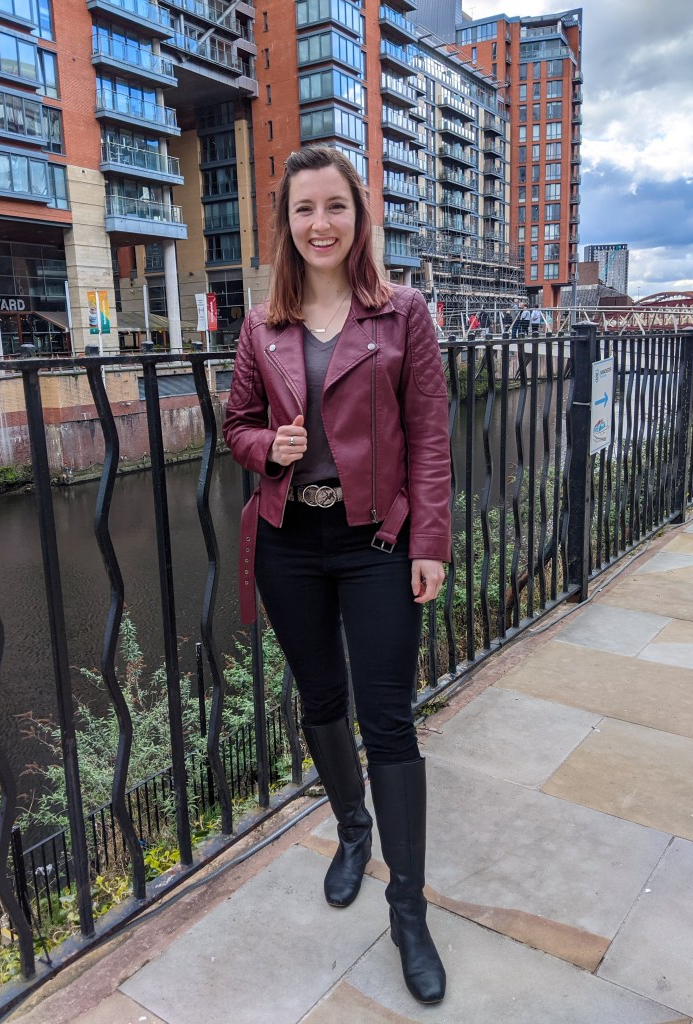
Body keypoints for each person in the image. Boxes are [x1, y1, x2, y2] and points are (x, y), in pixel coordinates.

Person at [223, 145, 452, 1005]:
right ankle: (352, 831)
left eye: (335, 207)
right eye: (303, 210)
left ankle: (408, 909)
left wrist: (430, 541)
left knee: (389, 722)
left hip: (378, 545)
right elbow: (236, 423)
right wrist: (264, 446)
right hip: (290, 543)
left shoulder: (404, 315)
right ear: (286, 225)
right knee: (321, 702)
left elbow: (430, 438)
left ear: (360, 217)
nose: (320, 224)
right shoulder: (262, 324)